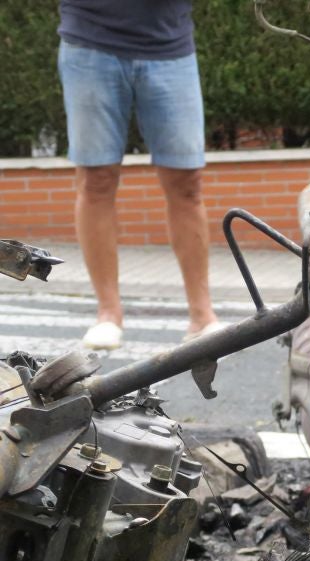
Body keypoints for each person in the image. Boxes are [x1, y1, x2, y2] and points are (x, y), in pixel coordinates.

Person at [57, 0, 220, 351]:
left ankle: (202, 316)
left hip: (170, 47)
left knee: (187, 183)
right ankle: (108, 314)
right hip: (89, 41)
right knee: (96, 179)